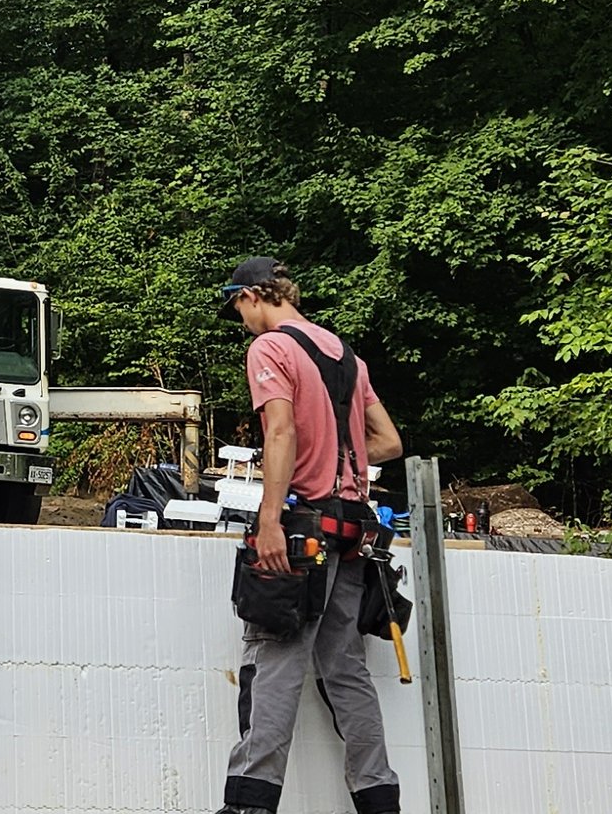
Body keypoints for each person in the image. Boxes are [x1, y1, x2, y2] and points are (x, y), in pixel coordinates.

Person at [215, 257, 405, 814]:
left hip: (302, 530)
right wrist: (338, 457)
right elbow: (389, 441)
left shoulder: (270, 349)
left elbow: (280, 430)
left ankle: (249, 804)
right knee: (345, 668)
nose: (240, 322)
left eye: (237, 309)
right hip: (353, 530)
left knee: (274, 657)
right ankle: (379, 800)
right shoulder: (345, 355)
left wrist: (270, 517)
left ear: (253, 296)